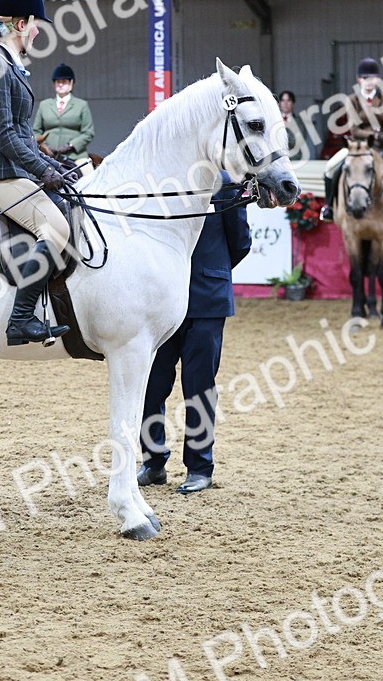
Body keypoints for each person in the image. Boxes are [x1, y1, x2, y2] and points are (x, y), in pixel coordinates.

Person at [0, 0, 76, 346]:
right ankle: (20, 319)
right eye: (34, 24)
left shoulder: (12, 66)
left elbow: (25, 134)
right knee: (57, 229)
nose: (36, 31)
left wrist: (57, 167)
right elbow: (4, 135)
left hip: (15, 169)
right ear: (19, 24)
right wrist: (43, 171)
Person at [136, 178, 251, 494]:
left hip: (207, 301)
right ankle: (153, 462)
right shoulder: (162, 181)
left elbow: (240, 241)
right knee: (151, 385)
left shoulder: (225, 184)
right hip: (161, 301)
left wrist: (213, 272)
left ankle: (200, 468)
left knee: (199, 389)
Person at [318, 57, 383, 226]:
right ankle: (329, 207)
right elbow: (354, 130)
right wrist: (374, 133)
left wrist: (380, 137)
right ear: (359, 80)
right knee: (330, 168)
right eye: (365, 79)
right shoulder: (352, 100)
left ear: (378, 79)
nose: (369, 82)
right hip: (358, 146)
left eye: (372, 78)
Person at [33, 63, 95, 171]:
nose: (60, 84)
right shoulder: (44, 105)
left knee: (88, 174)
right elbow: (36, 131)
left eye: (64, 82)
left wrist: (70, 145)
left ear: (71, 83)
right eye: (58, 82)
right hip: (48, 155)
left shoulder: (81, 105)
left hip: (75, 155)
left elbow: (88, 132)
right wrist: (45, 146)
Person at [279, 90, 314, 160]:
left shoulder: (300, 122)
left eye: (288, 100)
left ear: (293, 103)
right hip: (277, 160)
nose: (285, 103)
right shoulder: (274, 121)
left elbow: (297, 142)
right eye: (283, 100)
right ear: (279, 103)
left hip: (294, 159)